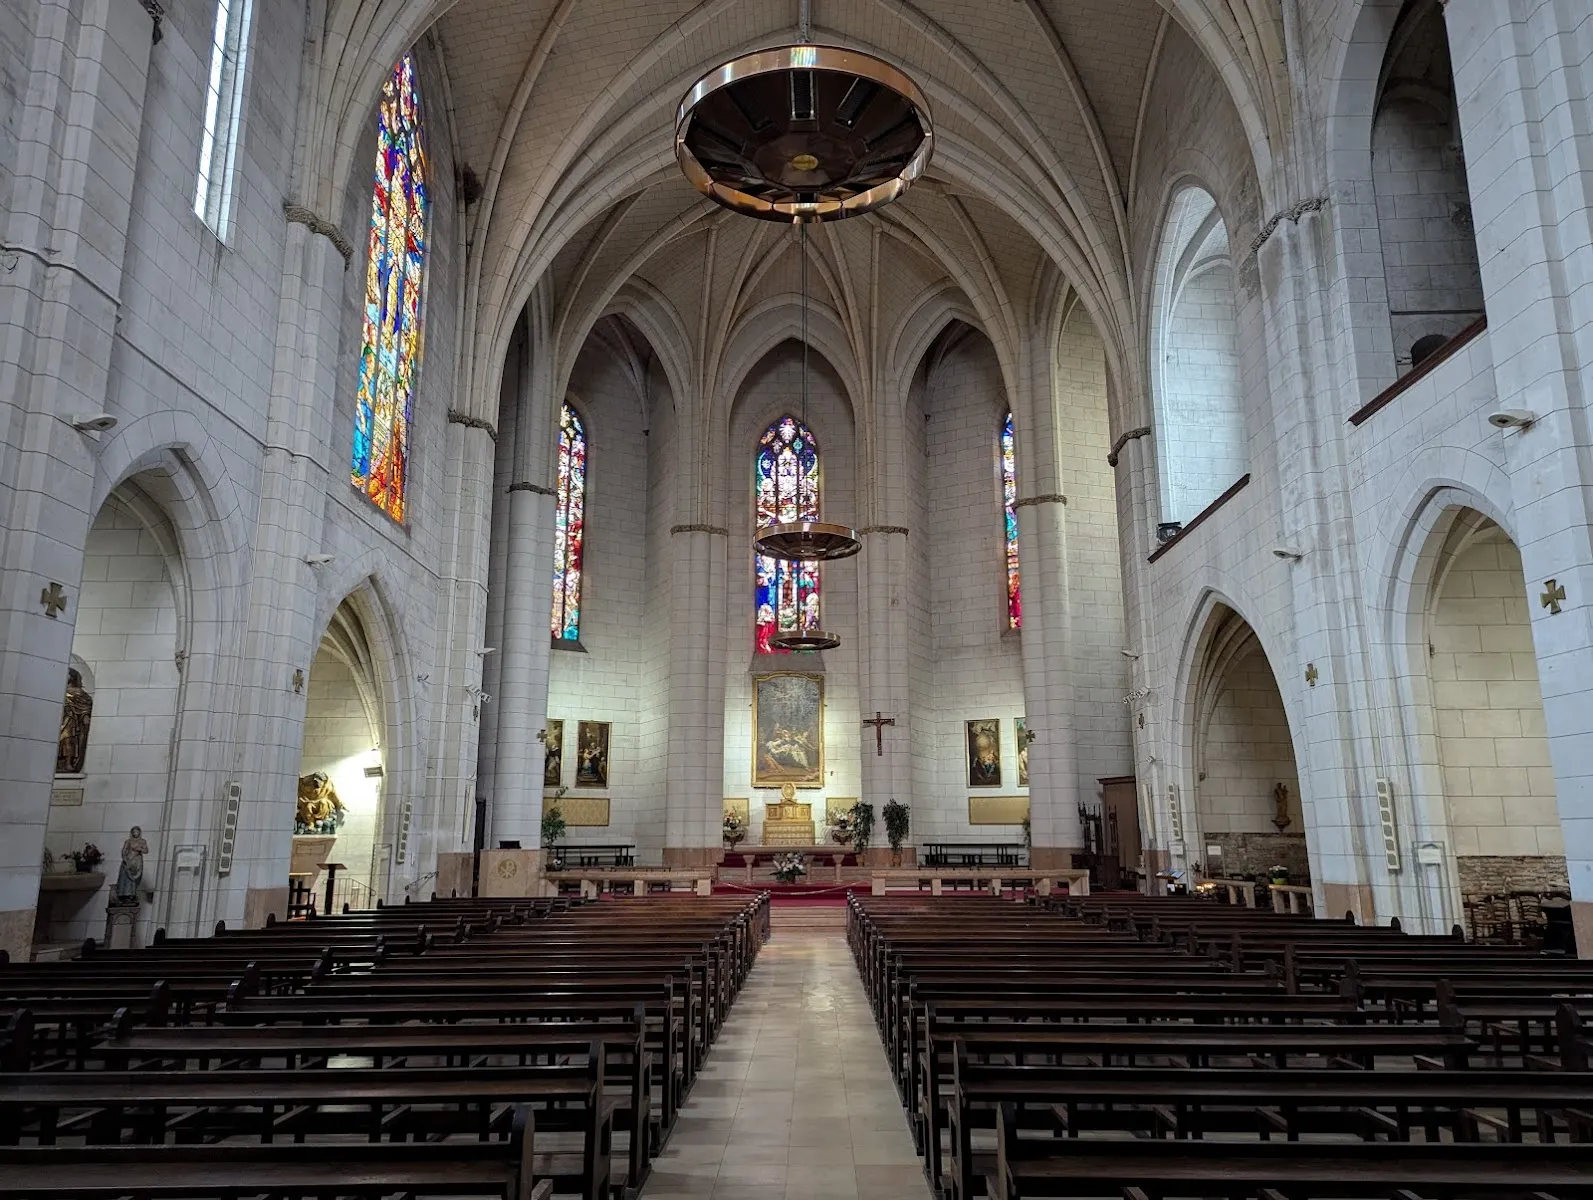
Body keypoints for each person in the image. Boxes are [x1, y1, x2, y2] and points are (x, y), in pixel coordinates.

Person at [116, 826, 149, 900]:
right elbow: (124, 851)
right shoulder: (128, 841)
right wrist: (125, 859)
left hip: (137, 862)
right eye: (134, 831)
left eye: (137, 831)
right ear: (132, 832)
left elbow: (146, 851)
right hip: (128, 861)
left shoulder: (142, 841)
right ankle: (123, 894)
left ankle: (132, 894)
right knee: (125, 878)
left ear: (139, 832)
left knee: (134, 879)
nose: (135, 833)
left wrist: (139, 849)